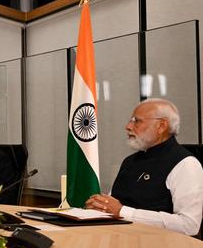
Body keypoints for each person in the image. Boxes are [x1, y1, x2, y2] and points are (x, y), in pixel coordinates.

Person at [86, 98, 203, 236]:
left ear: (161, 125)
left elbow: (189, 225)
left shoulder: (185, 164)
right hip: (118, 240)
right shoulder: (130, 161)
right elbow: (114, 204)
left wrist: (122, 212)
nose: (128, 126)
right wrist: (100, 205)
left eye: (137, 121)